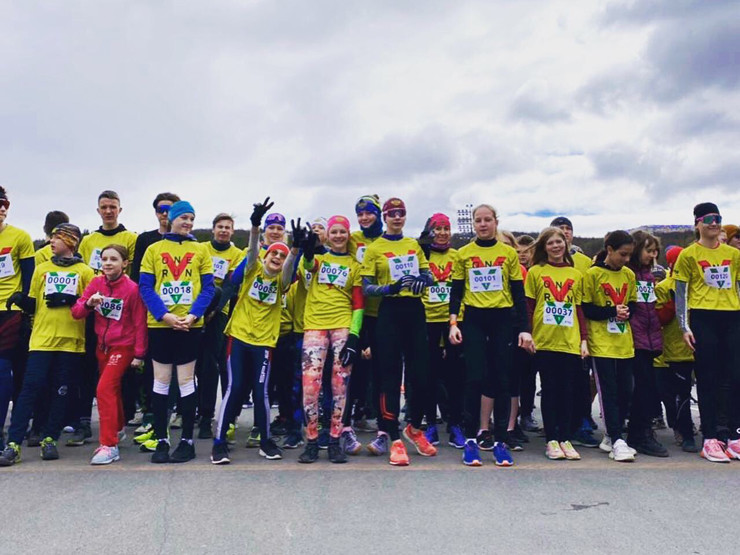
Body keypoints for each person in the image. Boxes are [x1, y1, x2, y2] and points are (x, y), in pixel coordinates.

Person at [210, 198, 297, 464]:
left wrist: (295, 250)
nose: (277, 258)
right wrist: (255, 225)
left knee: (261, 392)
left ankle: (266, 442)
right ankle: (219, 443)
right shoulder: (252, 269)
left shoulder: (282, 281)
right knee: (235, 387)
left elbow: (290, 268)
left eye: (281, 256)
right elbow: (252, 250)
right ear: (265, 256)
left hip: (264, 342)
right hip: (239, 337)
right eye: (274, 254)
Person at [0, 224, 93, 465]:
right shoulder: (41, 269)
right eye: (51, 237)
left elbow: (90, 306)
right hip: (41, 340)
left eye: (57, 238)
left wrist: (72, 300)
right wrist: (20, 300)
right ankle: (13, 444)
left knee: (60, 391)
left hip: (70, 342)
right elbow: (35, 304)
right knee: (30, 389)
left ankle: (50, 438)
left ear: (71, 242)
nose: (51, 241)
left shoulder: (85, 272)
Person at [449, 204, 532, 467]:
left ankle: (500, 442)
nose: (483, 224)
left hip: (502, 319)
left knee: (502, 380)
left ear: (496, 222)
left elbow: (518, 294)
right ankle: (471, 440)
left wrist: (524, 329)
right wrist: (453, 323)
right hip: (474, 319)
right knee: (474, 379)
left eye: (487, 220)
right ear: (473, 224)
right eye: (478, 220)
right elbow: (456, 292)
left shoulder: (507, 253)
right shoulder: (464, 253)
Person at [360, 197, 436, 466]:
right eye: (391, 213)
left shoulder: (413, 245)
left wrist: (422, 281)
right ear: (385, 217)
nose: (396, 217)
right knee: (389, 378)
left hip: (414, 311)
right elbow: (366, 287)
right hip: (389, 312)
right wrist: (389, 288)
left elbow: (430, 276)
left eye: (401, 213)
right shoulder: (375, 248)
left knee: (421, 375)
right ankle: (393, 437)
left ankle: (414, 428)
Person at [139, 200, 215, 463]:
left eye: (192, 218)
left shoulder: (200, 249)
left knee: (185, 381)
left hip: (189, 325)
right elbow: (145, 287)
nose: (188, 223)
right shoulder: (153, 249)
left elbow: (208, 288)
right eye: (184, 218)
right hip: (161, 324)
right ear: (171, 218)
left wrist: (193, 315)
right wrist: (165, 316)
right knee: (161, 382)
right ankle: (161, 439)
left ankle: (186, 442)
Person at [69, 191, 138, 447]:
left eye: (113, 207)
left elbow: (134, 277)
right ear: (98, 210)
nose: (108, 211)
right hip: (97, 320)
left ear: (120, 209)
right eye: (104, 207)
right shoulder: (88, 241)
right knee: (96, 378)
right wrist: (90, 301)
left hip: (123, 326)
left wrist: (140, 352)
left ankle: (113, 436)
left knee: (111, 385)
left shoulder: (131, 238)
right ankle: (89, 424)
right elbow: (85, 277)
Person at [674, 202, 740, 462]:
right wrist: (684, 327)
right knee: (708, 378)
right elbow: (681, 293)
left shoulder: (733, 254)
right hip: (703, 317)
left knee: (734, 376)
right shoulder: (688, 255)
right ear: (698, 224)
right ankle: (710, 437)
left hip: (732, 316)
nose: (715, 223)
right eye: (709, 219)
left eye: (718, 218)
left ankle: (734, 435)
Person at [71, 245, 148, 464]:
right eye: (104, 259)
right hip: (102, 347)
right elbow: (76, 312)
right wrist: (89, 303)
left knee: (103, 389)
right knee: (111, 390)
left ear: (125, 264)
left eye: (113, 259)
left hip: (123, 347)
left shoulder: (132, 289)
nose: (107, 263)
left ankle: (109, 445)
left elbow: (139, 322)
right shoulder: (96, 283)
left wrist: (139, 354)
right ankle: (118, 428)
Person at [297, 215, 364, 464]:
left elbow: (358, 304)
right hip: (315, 326)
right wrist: (306, 251)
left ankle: (335, 441)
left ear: (348, 235)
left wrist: (354, 338)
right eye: (333, 232)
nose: (338, 236)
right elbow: (308, 266)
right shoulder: (320, 259)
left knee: (340, 386)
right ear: (327, 235)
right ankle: (312, 441)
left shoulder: (355, 265)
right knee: (310, 387)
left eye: (342, 232)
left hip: (342, 326)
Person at [525, 227, 588, 460]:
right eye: (550, 243)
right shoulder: (535, 272)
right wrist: (528, 333)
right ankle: (552, 439)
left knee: (568, 392)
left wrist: (584, 339)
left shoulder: (575, 274)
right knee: (550, 390)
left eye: (559, 242)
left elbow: (579, 309)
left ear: (566, 244)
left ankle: (565, 438)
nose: (556, 246)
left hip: (570, 341)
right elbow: (529, 306)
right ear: (544, 247)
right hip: (545, 340)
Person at [582, 230, 638, 463]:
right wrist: (611, 311)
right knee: (609, 391)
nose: (626, 259)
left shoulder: (629, 275)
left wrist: (626, 312)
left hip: (624, 342)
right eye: (622, 254)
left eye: (629, 255)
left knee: (626, 390)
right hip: (601, 342)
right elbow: (587, 309)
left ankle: (611, 435)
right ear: (610, 250)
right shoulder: (592, 274)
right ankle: (616, 438)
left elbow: (633, 303)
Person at [551, 215, 600, 449]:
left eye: (568, 228)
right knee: (555, 384)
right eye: (559, 229)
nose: (565, 232)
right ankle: (556, 427)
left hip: (577, 332)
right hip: (550, 333)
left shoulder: (584, 262)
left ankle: (581, 423)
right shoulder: (542, 263)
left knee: (580, 382)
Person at [419, 213, 466, 449]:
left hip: (453, 320)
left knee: (455, 375)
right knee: (430, 374)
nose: (442, 233)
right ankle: (430, 424)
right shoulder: (422, 254)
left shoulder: (458, 256)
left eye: (446, 228)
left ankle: (455, 424)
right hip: (427, 319)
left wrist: (458, 318)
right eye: (437, 228)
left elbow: (463, 288)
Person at [195, 213, 244, 439]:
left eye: (227, 227)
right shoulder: (201, 248)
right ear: (213, 229)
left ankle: (222, 416)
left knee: (218, 364)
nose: (223, 230)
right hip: (197, 310)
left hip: (220, 312)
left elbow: (230, 286)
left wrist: (215, 310)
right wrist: (201, 310)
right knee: (198, 366)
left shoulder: (237, 254)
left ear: (232, 231)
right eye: (220, 226)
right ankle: (199, 413)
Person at [626, 230, 668, 457]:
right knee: (639, 390)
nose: (652, 255)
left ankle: (641, 431)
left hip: (650, 339)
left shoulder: (649, 277)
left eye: (655, 251)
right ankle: (638, 434)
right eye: (648, 250)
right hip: (633, 339)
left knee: (648, 389)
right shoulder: (628, 274)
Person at [0, 186, 35, 451]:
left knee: (5, 371)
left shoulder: (20, 236)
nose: (2, 208)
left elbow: (29, 277)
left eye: (5, 204)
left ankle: (10, 430)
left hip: (10, 312)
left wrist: (23, 304)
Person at [655, 246, 697, 453]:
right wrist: (673, 303)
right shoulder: (664, 286)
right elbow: (659, 319)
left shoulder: (697, 283)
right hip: (674, 349)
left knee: (695, 391)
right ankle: (683, 430)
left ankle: (709, 429)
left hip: (699, 347)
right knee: (676, 394)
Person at [347, 195, 383, 434]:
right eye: (360, 214)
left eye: (369, 213)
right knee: (357, 364)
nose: (364, 218)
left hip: (381, 310)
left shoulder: (386, 239)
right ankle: (356, 411)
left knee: (380, 365)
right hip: (357, 309)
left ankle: (379, 413)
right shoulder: (353, 239)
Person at [131, 192, 181, 283]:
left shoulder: (187, 240)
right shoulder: (144, 239)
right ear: (156, 212)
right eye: (160, 210)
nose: (165, 213)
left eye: (169, 209)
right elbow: (136, 272)